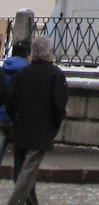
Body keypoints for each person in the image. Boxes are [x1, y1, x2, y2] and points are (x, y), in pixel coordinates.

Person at [5, 36, 68, 205]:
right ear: (49, 53)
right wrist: (52, 125)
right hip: (40, 130)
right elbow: (59, 105)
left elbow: (10, 100)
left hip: (20, 128)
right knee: (27, 172)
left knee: (23, 171)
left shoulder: (22, 73)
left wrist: (16, 118)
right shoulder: (55, 74)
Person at [0, 41, 31, 176]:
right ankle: (19, 192)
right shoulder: (28, 72)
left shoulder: (3, 68)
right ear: (27, 54)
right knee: (20, 161)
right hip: (19, 121)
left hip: (1, 117)